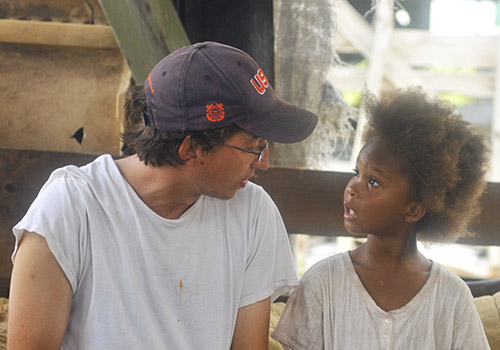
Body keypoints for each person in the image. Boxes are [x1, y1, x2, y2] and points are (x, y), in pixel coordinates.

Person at [7, 41, 318, 349]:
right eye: (253, 146)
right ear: (191, 149)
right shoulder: (71, 207)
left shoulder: (253, 212)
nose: (263, 161)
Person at [272, 87, 491, 349]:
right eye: (356, 172)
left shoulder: (452, 297)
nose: (352, 187)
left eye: (373, 181)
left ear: (414, 209)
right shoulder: (323, 282)